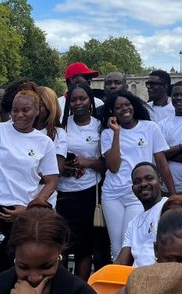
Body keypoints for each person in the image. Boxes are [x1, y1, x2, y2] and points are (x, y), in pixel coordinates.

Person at [0, 83, 60, 280]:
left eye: (25, 110)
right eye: (15, 110)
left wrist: (31, 206)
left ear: (37, 111)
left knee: (18, 271)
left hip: (23, 215)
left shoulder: (44, 142)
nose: (19, 115)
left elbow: (51, 180)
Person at [100, 90, 176, 261]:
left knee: (133, 243)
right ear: (112, 112)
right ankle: (118, 280)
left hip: (138, 194)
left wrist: (173, 194)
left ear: (134, 105)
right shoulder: (107, 134)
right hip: (112, 194)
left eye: (127, 104)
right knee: (116, 246)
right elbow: (113, 166)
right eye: (118, 107)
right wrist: (117, 133)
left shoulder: (150, 128)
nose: (124, 109)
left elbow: (162, 164)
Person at [0, 207, 95, 294]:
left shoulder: (79, 291)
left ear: (60, 254)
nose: (34, 278)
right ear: (15, 257)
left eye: (46, 266)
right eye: (23, 267)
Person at [57, 84, 104, 279]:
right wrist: (62, 168)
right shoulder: (61, 126)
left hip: (89, 191)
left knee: (84, 246)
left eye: (82, 98)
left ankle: (80, 287)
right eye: (74, 99)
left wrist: (88, 162)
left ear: (90, 100)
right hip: (63, 192)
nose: (78, 103)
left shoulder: (100, 125)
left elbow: (107, 163)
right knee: (62, 242)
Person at [116, 163, 169, 267]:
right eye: (137, 181)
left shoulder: (169, 208)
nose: (143, 184)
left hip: (161, 275)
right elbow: (121, 263)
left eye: (149, 178)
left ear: (160, 181)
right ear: (133, 188)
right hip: (135, 278)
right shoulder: (133, 223)